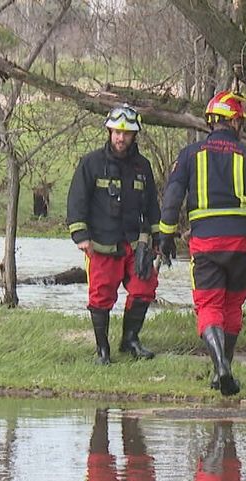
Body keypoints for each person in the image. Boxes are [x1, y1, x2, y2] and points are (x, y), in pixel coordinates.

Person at [159, 91, 246, 396]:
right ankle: (223, 365)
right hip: (241, 243)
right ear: (236, 122)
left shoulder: (189, 155)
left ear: (212, 121)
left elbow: (172, 198)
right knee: (233, 305)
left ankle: (220, 369)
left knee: (209, 305)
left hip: (206, 242)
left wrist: (166, 234)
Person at [66, 105, 162, 365]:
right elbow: (77, 201)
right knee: (101, 296)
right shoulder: (91, 163)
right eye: (117, 132)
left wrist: (159, 236)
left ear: (134, 135)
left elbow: (152, 204)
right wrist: (81, 236)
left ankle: (130, 340)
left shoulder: (143, 166)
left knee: (144, 288)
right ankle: (103, 350)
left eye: (127, 133)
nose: (121, 138)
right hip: (101, 244)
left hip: (136, 244)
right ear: (109, 132)